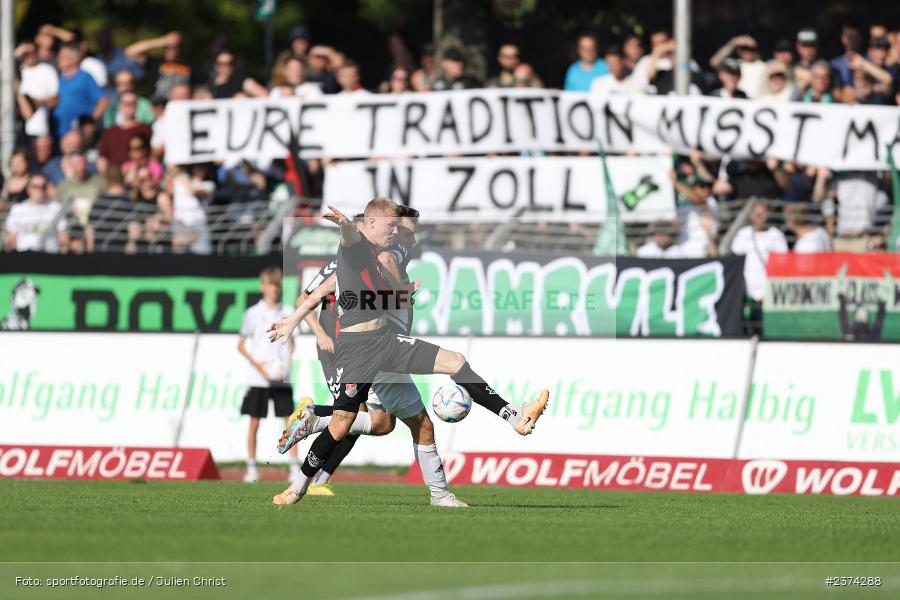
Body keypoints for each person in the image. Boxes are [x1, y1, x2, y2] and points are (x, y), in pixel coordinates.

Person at [268, 198, 549, 506]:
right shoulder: (356, 246)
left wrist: (293, 320)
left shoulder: (376, 253)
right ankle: (296, 488)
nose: (396, 230)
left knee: (444, 379)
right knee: (342, 425)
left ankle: (511, 420)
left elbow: (323, 291)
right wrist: (347, 227)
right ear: (371, 224)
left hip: (387, 343)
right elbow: (349, 240)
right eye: (391, 225)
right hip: (357, 353)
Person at [282, 209, 466, 506]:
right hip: (344, 348)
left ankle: (315, 424)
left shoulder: (379, 259)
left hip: (375, 346)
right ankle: (312, 474)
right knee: (347, 417)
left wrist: (402, 294)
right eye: (388, 227)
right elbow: (308, 297)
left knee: (381, 423)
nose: (391, 234)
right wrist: (318, 332)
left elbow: (380, 298)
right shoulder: (342, 260)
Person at [237, 267, 302, 483]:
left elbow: (292, 343)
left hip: (280, 377)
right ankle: (252, 467)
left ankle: (294, 467)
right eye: (270, 285)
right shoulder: (253, 313)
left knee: (290, 422)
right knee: (254, 423)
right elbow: (241, 345)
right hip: (259, 378)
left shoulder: (287, 310)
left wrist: (286, 365)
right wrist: (260, 367)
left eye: (277, 285)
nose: (274, 289)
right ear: (262, 286)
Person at [730, 201, 788, 303]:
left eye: (765, 215)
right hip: (747, 291)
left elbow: (783, 262)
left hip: (769, 290)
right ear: (751, 217)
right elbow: (735, 255)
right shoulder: (743, 233)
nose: (764, 219)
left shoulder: (776, 234)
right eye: (759, 215)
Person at [52, 43, 108, 139]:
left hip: (79, 133)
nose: (59, 59)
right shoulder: (60, 78)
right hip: (60, 130)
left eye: (63, 57)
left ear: (74, 59)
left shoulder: (84, 77)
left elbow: (103, 100)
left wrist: (91, 121)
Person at [3, 174, 66, 253]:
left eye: (43, 186)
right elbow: (11, 236)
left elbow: (63, 236)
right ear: (28, 189)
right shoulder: (18, 209)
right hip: (25, 255)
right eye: (35, 186)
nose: (39, 190)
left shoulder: (56, 208)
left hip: (50, 255)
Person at [125, 31, 191, 99]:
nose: (173, 51)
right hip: (158, 106)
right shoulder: (155, 63)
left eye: (176, 47)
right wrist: (163, 41)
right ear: (164, 48)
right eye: (169, 48)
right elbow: (130, 52)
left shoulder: (189, 67)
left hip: (181, 105)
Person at [98, 93, 154, 173]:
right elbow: (102, 159)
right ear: (120, 106)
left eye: (132, 103)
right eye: (125, 104)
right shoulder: (110, 133)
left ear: (137, 106)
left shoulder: (146, 130)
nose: (129, 106)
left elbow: (152, 157)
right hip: (117, 179)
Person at [14, 41, 58, 141]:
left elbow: (55, 100)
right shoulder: (17, 71)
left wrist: (32, 100)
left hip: (39, 129)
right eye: (25, 53)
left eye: (32, 51)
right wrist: (16, 54)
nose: (29, 55)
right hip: (18, 128)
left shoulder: (46, 69)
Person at [56, 151, 106, 226]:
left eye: (84, 163)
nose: (81, 167)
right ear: (71, 166)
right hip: (70, 228)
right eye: (77, 164)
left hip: (95, 226)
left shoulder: (100, 182)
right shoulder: (63, 186)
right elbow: (57, 209)